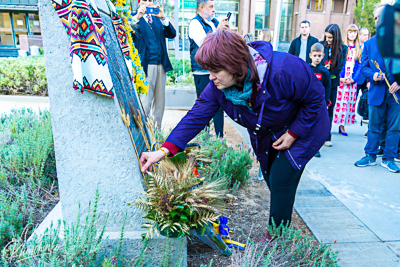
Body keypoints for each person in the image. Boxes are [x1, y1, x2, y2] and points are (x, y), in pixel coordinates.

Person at [140, 30, 330, 227]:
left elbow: (316, 99)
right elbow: (195, 116)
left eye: (216, 71)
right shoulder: (219, 88)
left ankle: (276, 237)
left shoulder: (284, 69)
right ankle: (282, 220)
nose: (211, 77)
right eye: (208, 70)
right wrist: (163, 151)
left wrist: (294, 133)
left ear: (234, 65)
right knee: (272, 180)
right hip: (268, 131)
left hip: (305, 126)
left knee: (281, 178)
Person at [355, 4, 400, 173]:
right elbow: (364, 67)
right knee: (373, 126)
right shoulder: (369, 44)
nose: (378, 20)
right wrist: (372, 75)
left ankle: (388, 159)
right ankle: (370, 156)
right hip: (377, 91)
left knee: (394, 128)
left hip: (397, 94)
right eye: (375, 18)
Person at [131, 0, 176, 128]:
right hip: (145, 66)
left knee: (160, 103)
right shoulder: (134, 17)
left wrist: (164, 18)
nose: (148, 3)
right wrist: (137, 17)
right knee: (145, 102)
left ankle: (156, 134)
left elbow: (172, 34)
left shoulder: (158, 18)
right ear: (140, 2)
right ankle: (143, 133)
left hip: (161, 65)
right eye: (145, 0)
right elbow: (125, 32)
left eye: (150, 0)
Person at [188, 0, 229, 137]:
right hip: (202, 71)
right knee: (204, 106)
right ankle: (204, 138)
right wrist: (218, 31)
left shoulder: (215, 22)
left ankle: (219, 138)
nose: (214, 10)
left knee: (219, 105)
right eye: (211, 7)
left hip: (216, 69)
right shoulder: (195, 23)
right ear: (201, 7)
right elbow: (204, 43)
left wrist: (225, 33)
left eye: (214, 6)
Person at [320, 24, 348, 147]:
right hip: (320, 83)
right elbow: (317, 62)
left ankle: (327, 137)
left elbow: (339, 67)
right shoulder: (321, 45)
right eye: (326, 37)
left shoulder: (343, 48)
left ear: (336, 37)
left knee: (329, 110)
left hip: (332, 85)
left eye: (330, 37)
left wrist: (329, 71)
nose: (328, 40)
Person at [333, 24, 362, 136]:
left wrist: (353, 79)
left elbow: (360, 66)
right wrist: (341, 77)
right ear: (347, 33)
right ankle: (331, 124)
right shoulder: (342, 47)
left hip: (351, 81)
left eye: (355, 32)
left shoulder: (359, 49)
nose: (352, 34)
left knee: (348, 103)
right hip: (341, 79)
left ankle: (342, 126)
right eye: (350, 32)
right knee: (337, 102)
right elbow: (339, 62)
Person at [308, 43, 331, 158]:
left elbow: (328, 87)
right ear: (310, 55)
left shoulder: (324, 71)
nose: (317, 58)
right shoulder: (307, 68)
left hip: (320, 103)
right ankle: (306, 146)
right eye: (315, 55)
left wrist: (326, 101)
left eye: (319, 56)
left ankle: (316, 148)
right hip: (308, 102)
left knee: (317, 126)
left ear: (323, 56)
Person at [358, 27, 370, 128]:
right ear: (360, 35)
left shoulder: (369, 46)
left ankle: (366, 119)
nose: (367, 37)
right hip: (356, 78)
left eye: (367, 35)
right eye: (365, 35)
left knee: (367, 100)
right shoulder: (355, 47)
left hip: (367, 79)